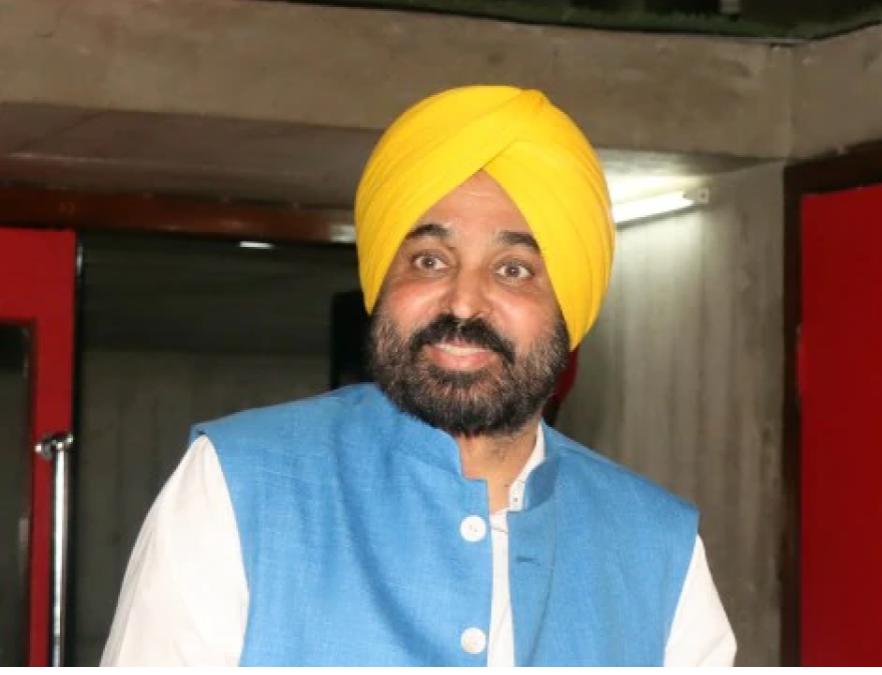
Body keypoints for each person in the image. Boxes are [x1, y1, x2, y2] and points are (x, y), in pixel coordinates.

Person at [101, 85, 736, 666]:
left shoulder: (657, 546)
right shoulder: (237, 484)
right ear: (383, 282)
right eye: (430, 260)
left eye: (513, 270)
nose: (463, 303)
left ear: (571, 306)